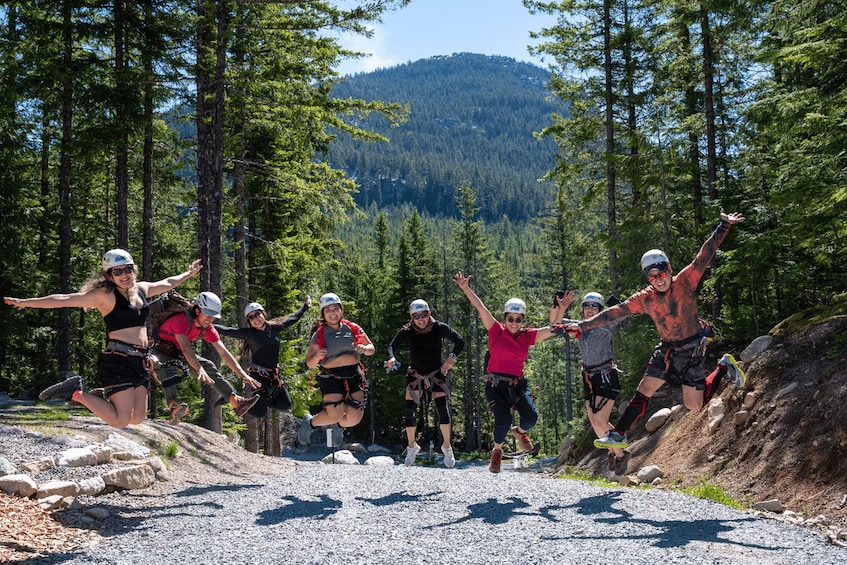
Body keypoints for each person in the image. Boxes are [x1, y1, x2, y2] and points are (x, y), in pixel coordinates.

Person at [565, 209, 747, 453]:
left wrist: (724, 226)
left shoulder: (685, 280)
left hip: (692, 348)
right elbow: (615, 312)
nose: (659, 280)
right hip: (666, 349)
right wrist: (582, 325)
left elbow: (705, 255)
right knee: (645, 388)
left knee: (695, 405)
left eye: (661, 274)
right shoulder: (645, 298)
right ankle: (619, 434)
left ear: (669, 268)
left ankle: (724, 366)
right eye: (652, 277)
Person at [4, 249, 202, 428]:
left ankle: (102, 395)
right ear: (109, 275)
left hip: (141, 360)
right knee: (120, 420)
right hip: (119, 360)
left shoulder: (142, 289)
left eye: (128, 269)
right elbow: (64, 299)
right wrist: (25, 303)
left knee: (137, 418)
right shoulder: (104, 296)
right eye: (117, 272)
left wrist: (188, 273)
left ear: (134, 270)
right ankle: (76, 392)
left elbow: (168, 283)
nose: (124, 275)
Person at [454, 270, 560, 474]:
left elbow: (552, 329)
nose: (514, 322)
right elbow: (480, 308)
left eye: (518, 319)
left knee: (531, 417)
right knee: (503, 420)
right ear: (505, 318)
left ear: (522, 320)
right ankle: (497, 451)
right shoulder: (496, 331)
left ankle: (520, 434)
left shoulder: (527, 336)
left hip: (516, 384)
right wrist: (465, 288)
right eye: (510, 318)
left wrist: (560, 309)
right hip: (495, 385)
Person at [152, 291, 261, 424]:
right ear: (198, 311)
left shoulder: (207, 328)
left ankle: (236, 402)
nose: (210, 319)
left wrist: (243, 374)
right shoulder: (181, 320)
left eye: (213, 316)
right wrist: (198, 368)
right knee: (166, 369)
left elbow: (224, 353)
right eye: (208, 314)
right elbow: (186, 348)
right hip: (158, 352)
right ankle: (174, 408)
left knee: (208, 366)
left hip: (178, 354)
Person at [553, 291, 631, 475]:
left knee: (599, 420)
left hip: (606, 375)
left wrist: (618, 307)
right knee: (595, 423)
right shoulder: (579, 326)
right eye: (586, 306)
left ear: (600, 309)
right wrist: (558, 307)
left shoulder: (606, 322)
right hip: (589, 378)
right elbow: (556, 325)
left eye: (594, 306)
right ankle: (613, 451)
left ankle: (620, 454)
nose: (589, 309)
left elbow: (626, 313)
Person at [386, 299, 465, 468]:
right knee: (409, 411)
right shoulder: (407, 330)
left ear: (429, 314)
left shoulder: (439, 328)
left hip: (436, 374)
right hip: (415, 374)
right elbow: (392, 346)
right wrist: (391, 357)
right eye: (416, 316)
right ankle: (412, 446)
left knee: (442, 409)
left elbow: (460, 341)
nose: (420, 319)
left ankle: (446, 446)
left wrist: (451, 358)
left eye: (424, 315)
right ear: (412, 317)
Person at [214, 296, 312, 418]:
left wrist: (305, 307)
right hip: (258, 375)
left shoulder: (275, 328)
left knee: (285, 405)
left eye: (257, 314)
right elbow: (227, 330)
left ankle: (257, 402)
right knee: (260, 413)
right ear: (249, 321)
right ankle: (230, 399)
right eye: (251, 317)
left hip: (273, 375)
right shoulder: (249, 334)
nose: (255, 319)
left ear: (263, 314)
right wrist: (207, 325)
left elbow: (293, 318)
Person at [299, 293, 375, 446]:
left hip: (354, 375)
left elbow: (371, 348)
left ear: (341, 310)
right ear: (323, 313)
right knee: (334, 415)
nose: (332, 313)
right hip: (331, 377)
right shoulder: (319, 334)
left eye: (335, 308)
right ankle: (311, 423)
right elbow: (310, 363)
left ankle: (337, 427)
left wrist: (364, 349)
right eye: (328, 310)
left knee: (354, 419)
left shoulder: (353, 328)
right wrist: (317, 356)